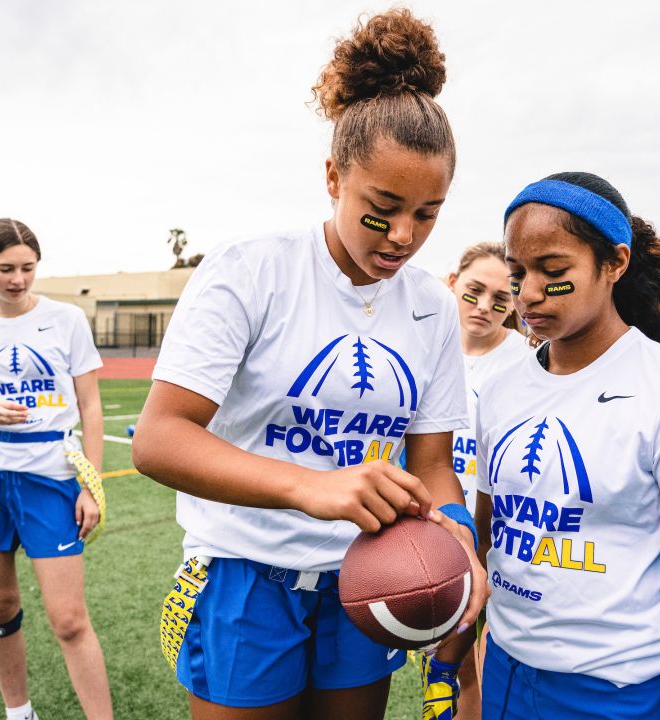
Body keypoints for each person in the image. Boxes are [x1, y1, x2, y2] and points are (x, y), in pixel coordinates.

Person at [131, 9, 486, 720]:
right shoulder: (250, 270)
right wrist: (309, 487)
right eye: (383, 208)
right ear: (332, 176)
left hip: (371, 572)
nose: (404, 237)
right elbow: (158, 439)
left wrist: (456, 533)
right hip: (244, 570)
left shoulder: (430, 304)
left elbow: (433, 462)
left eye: (429, 213)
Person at [462, 172, 660, 719]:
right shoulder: (500, 389)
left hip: (614, 694)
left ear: (614, 263)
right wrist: (462, 664)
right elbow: (484, 540)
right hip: (501, 671)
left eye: (554, 271)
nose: (528, 294)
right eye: (518, 272)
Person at [0, 218, 113, 720]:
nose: (18, 279)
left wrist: (90, 484)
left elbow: (92, 408)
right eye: (5, 269)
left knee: (69, 619)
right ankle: (19, 713)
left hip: (51, 478)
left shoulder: (67, 319)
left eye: (28, 268)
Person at [427, 242, 534, 719]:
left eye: (501, 297)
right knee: (447, 667)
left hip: (502, 540)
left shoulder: (528, 360)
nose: (485, 307)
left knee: (491, 665)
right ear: (452, 282)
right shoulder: (427, 346)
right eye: (473, 292)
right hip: (438, 536)